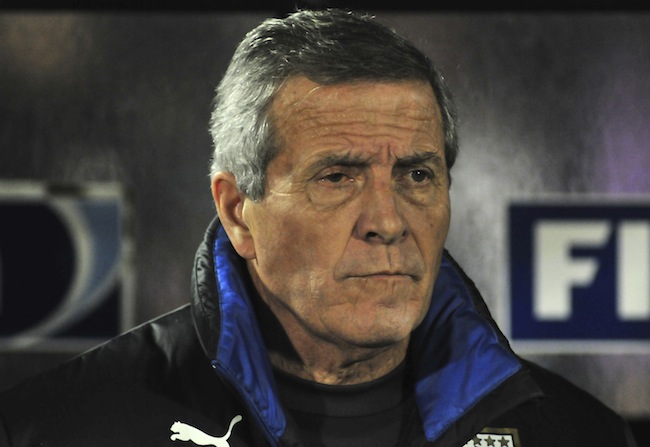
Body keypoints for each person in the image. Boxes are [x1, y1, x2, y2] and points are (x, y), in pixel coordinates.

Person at [0, 8, 637, 447]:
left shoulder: (582, 434)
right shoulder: (58, 430)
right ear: (237, 211)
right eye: (337, 177)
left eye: (417, 175)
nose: (388, 222)